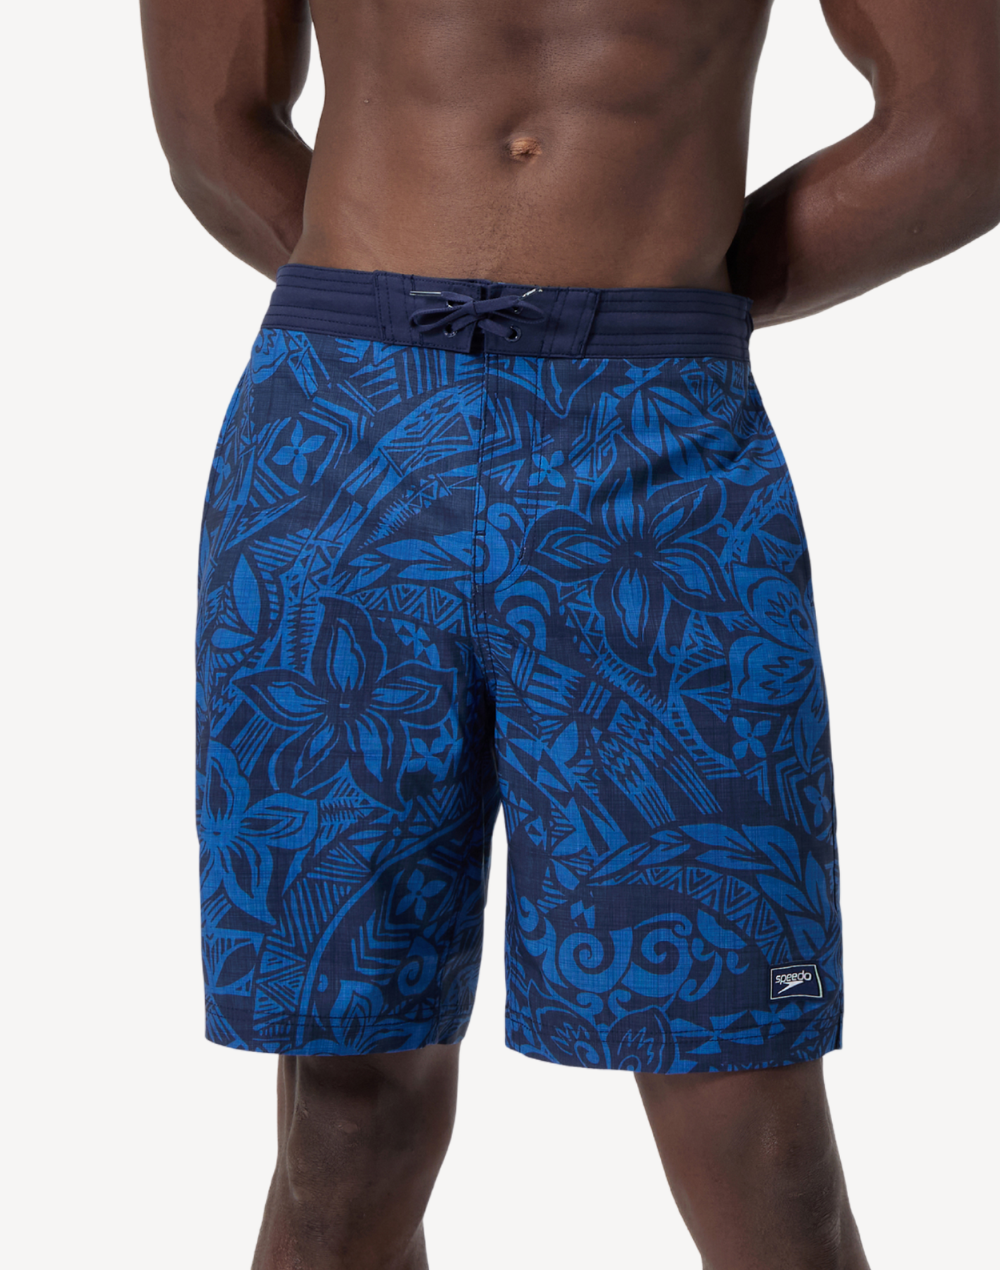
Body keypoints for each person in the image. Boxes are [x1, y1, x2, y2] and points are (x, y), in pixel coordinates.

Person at [140, 1, 1000, 1266]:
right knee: (348, 1118)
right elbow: (212, 125)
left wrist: (670, 304)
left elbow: (962, 128)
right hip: (344, 435)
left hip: (658, 445)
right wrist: (393, 305)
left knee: (755, 1127)